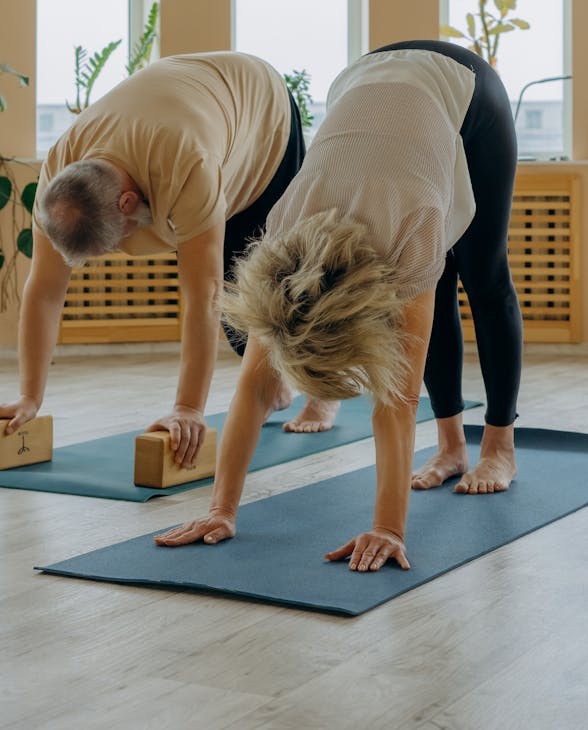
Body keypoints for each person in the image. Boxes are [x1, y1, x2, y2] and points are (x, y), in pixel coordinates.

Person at [155, 40, 523, 571]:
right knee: (432, 288)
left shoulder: (410, 229)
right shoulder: (280, 245)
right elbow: (255, 386)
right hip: (367, 78)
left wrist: (388, 528)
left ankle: (498, 448)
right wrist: (221, 510)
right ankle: (450, 449)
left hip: (461, 88)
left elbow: (395, 400)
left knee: (481, 274)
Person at [0, 51, 306, 466]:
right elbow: (44, 291)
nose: (122, 252)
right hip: (188, 106)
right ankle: (272, 385)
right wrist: (29, 397)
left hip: (260, 112)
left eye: (115, 243)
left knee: (263, 291)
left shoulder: (188, 164)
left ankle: (324, 396)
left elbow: (201, 297)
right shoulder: (59, 185)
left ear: (127, 202)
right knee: (247, 332)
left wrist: (188, 408)